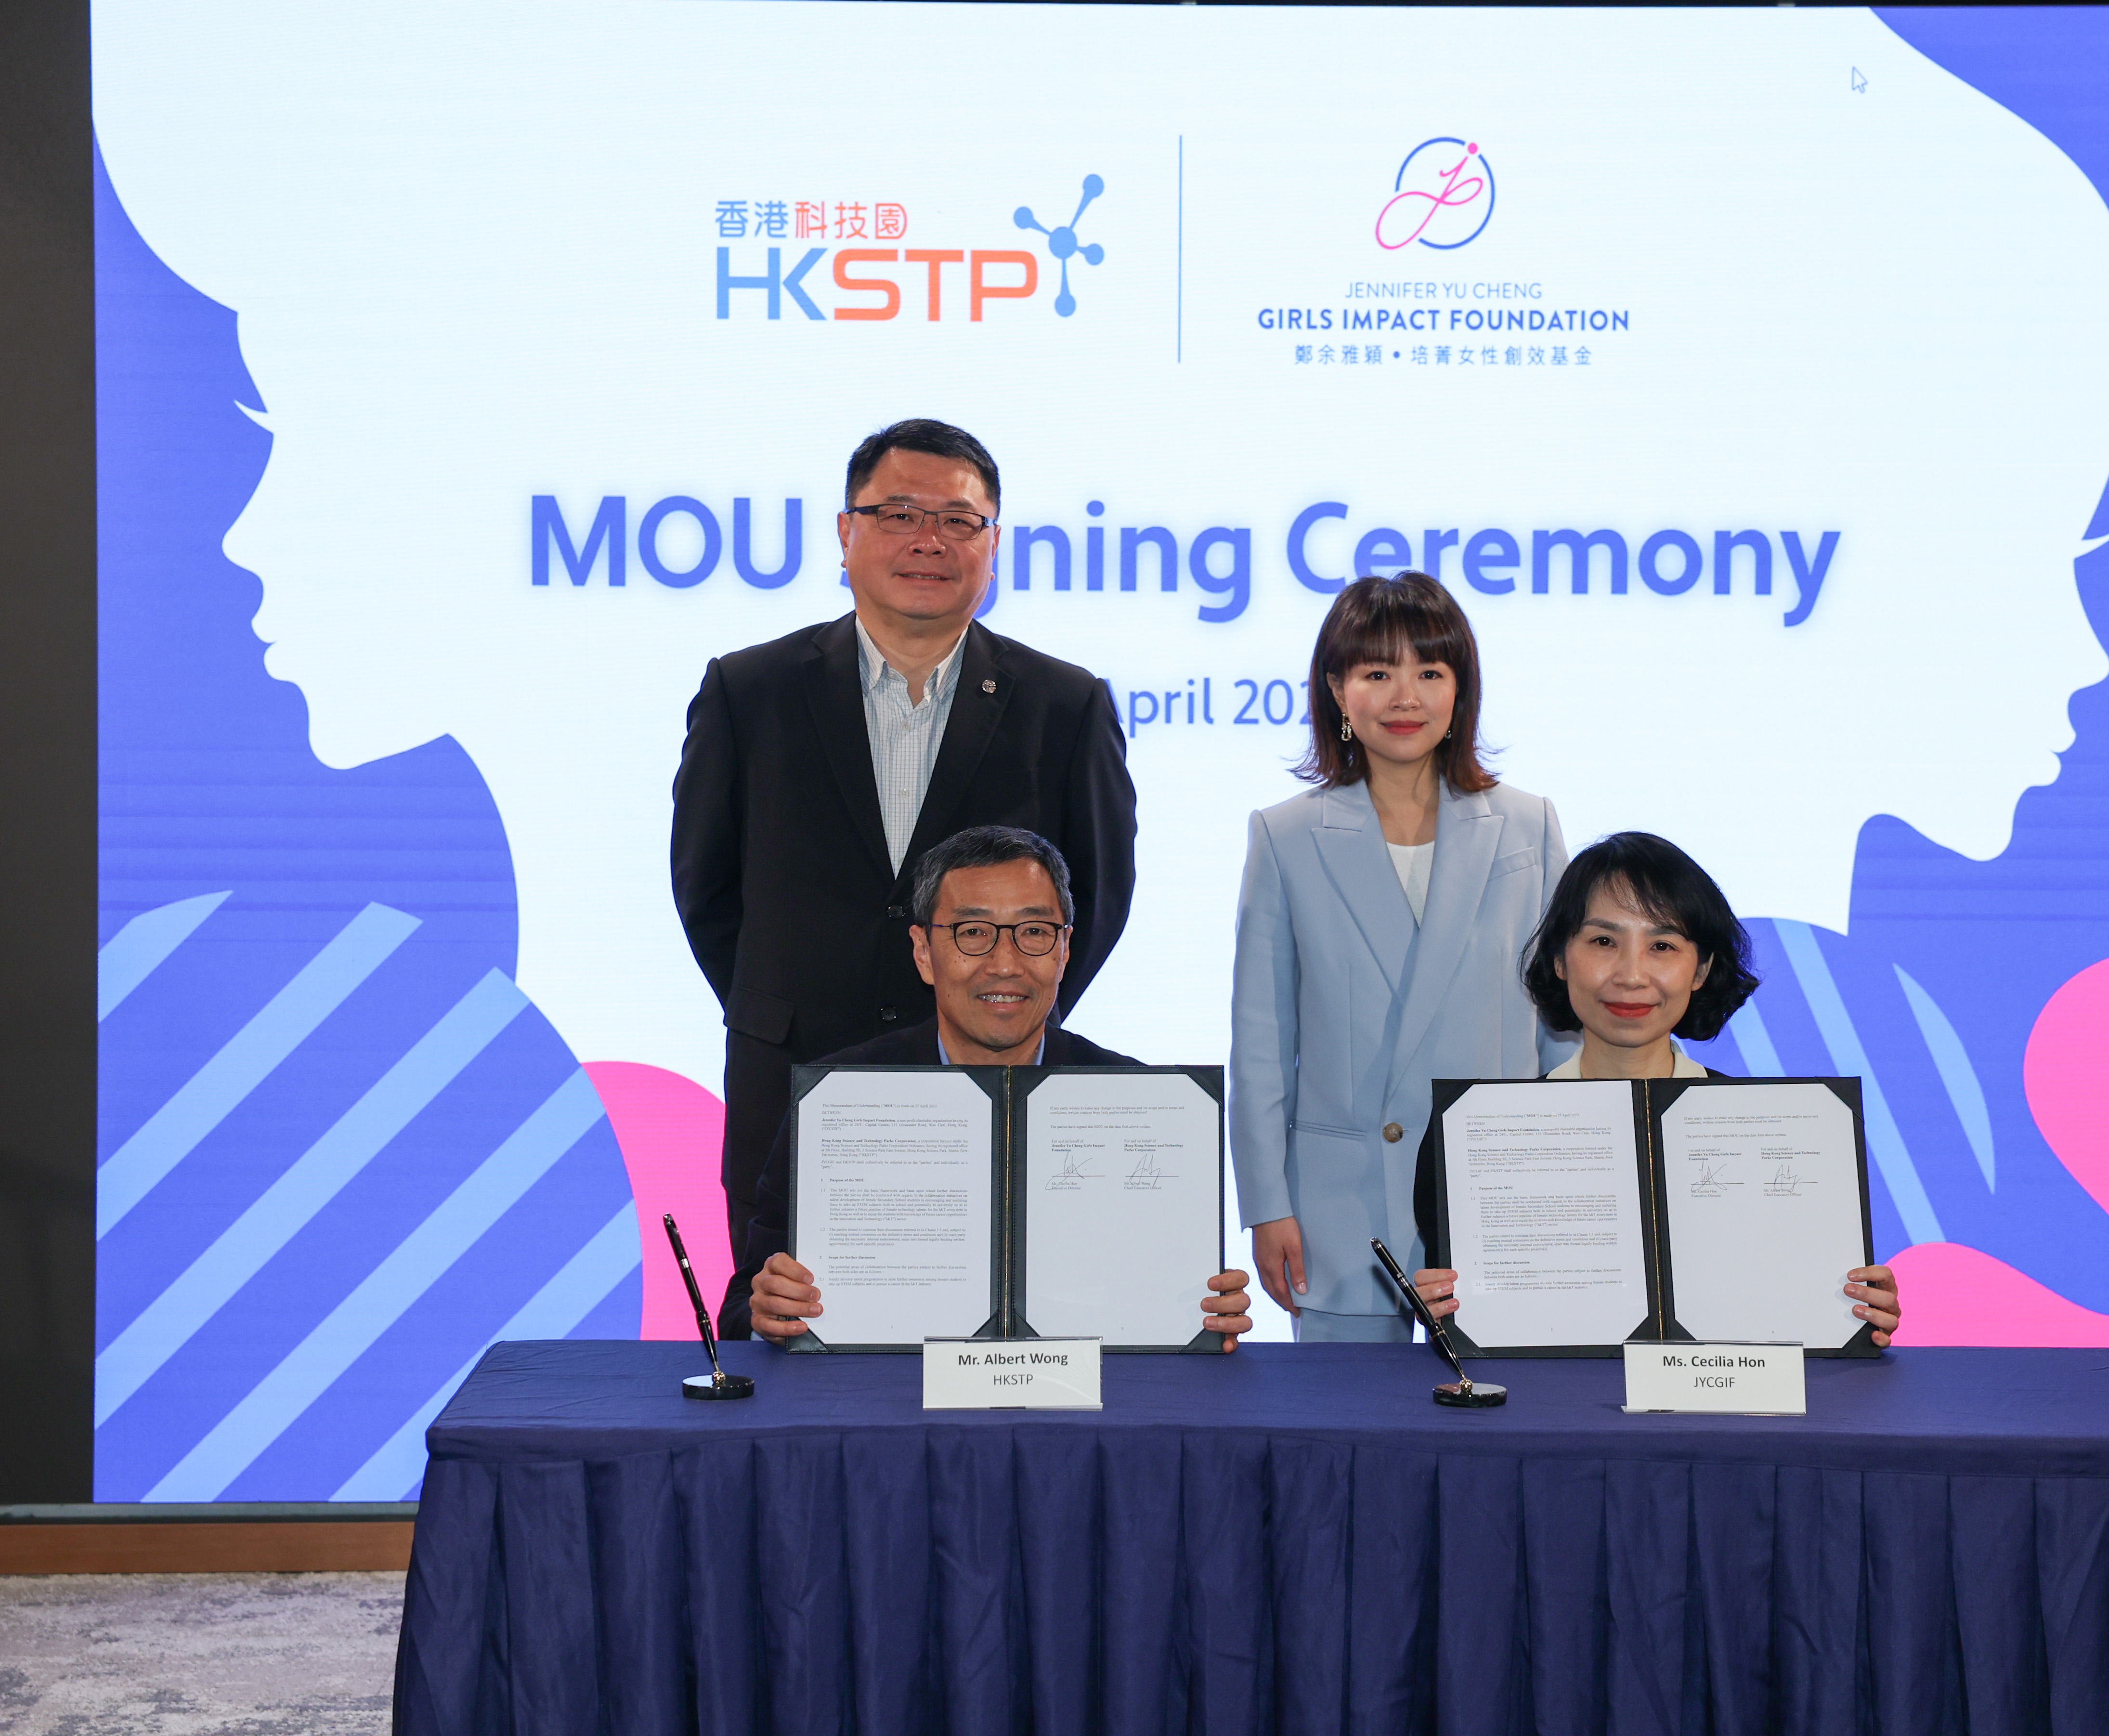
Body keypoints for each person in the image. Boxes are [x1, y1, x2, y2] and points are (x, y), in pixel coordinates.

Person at [674, 420, 1139, 1259]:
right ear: (845, 533)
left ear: (994, 547)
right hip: (790, 1077)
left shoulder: (1064, 704)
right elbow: (705, 890)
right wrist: (779, 1008)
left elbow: (1094, 900)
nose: (928, 540)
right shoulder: (749, 690)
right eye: (897, 514)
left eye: (958, 521)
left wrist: (996, 1006)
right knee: (788, 1332)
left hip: (986, 1078)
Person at [720, 825, 1250, 1347]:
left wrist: (1204, 1313)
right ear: (924, 952)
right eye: (973, 933)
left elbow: (1169, 1293)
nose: (1004, 964)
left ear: (1065, 949)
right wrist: (768, 1310)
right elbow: (743, 1304)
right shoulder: (838, 1102)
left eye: (1035, 932)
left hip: (1086, 1410)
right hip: (890, 1407)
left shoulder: (1145, 1104)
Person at [1230, 574, 1572, 1342]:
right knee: (1344, 1447)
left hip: (1499, 1196)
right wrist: (1267, 1205)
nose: (1404, 696)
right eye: (1377, 673)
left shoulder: (1527, 827)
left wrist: (1574, 1179)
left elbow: (1563, 1028)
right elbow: (1260, 1046)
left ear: (1462, 689)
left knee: (1499, 1440)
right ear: (1337, 691)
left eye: (1430, 671)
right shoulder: (1285, 836)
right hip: (1337, 1205)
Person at [1410, 831, 1903, 1344]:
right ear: (1560, 959)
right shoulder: (1476, 1137)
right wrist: (1444, 1306)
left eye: (1662, 946)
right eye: (1603, 942)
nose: (1631, 975)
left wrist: (1853, 1311)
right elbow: (1467, 1310)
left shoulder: (1788, 1130)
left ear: (1701, 969)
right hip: (1548, 1408)